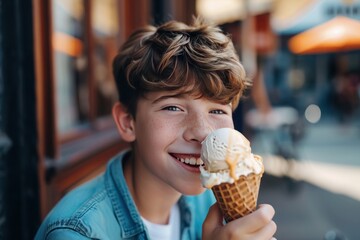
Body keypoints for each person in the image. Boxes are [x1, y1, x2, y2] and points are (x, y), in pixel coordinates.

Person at [35, 18, 277, 240]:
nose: (202, 132)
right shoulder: (76, 232)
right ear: (128, 122)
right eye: (173, 108)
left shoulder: (208, 201)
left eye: (217, 111)